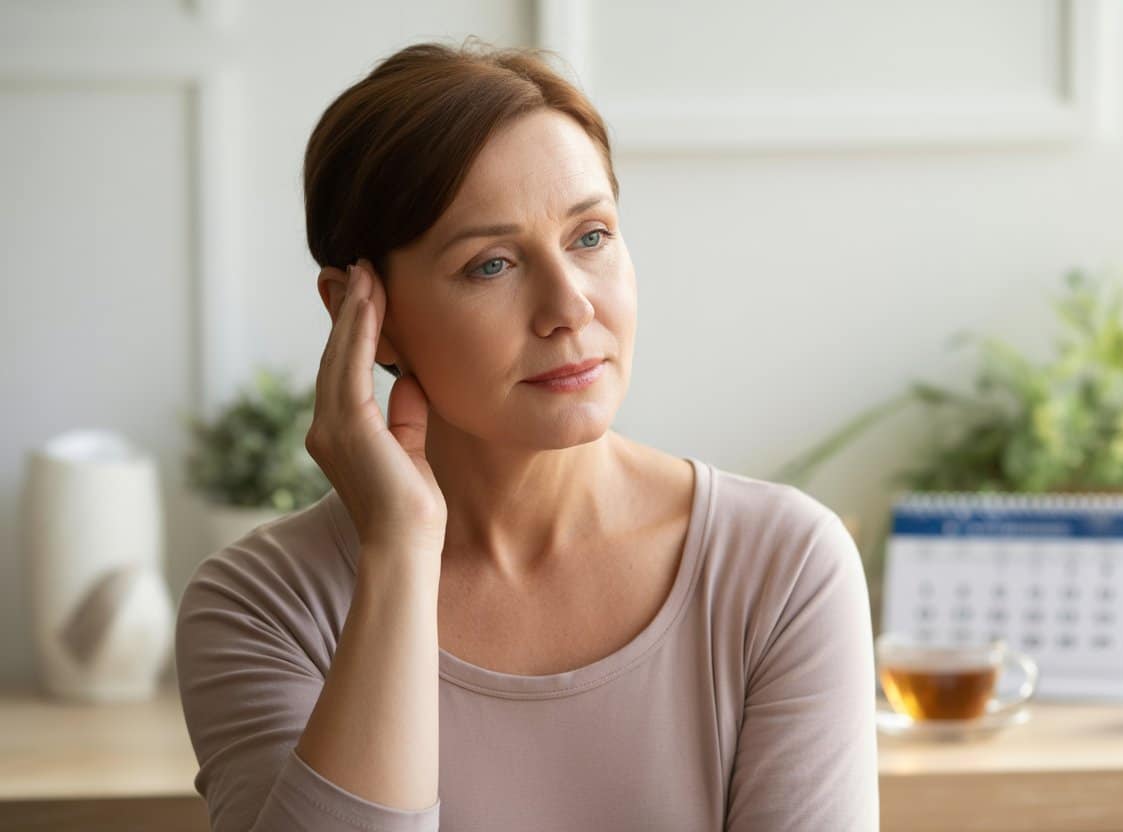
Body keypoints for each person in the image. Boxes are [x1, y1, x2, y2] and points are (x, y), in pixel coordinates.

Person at [175, 36, 879, 831]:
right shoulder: (261, 608)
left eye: (591, 236)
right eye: (492, 265)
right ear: (360, 314)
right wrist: (401, 551)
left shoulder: (781, 569)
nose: (570, 306)